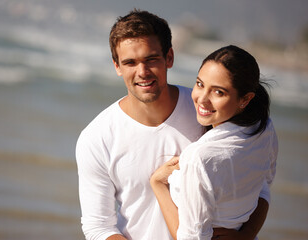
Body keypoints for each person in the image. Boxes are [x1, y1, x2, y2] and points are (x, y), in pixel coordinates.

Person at [76, 10, 270, 240]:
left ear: (169, 57)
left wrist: (246, 235)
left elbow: (259, 183)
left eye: (151, 59)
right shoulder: (96, 138)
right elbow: (98, 227)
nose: (142, 72)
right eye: (130, 62)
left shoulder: (208, 111)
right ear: (117, 66)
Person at [150, 45, 278, 240]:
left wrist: (158, 183)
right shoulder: (263, 128)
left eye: (218, 92)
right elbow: (264, 187)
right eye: (200, 84)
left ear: (245, 99)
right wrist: (248, 234)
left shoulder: (200, 157)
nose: (202, 99)